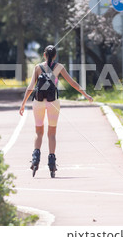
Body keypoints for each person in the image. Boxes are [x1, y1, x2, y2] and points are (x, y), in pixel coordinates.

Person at [19, 45, 93, 178]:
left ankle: (35, 158)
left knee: (38, 131)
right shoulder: (59, 67)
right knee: (51, 133)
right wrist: (86, 95)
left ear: (44, 55)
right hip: (53, 102)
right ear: (55, 56)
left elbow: (30, 87)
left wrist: (23, 104)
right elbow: (73, 83)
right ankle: (52, 162)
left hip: (38, 102)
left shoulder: (37, 68)